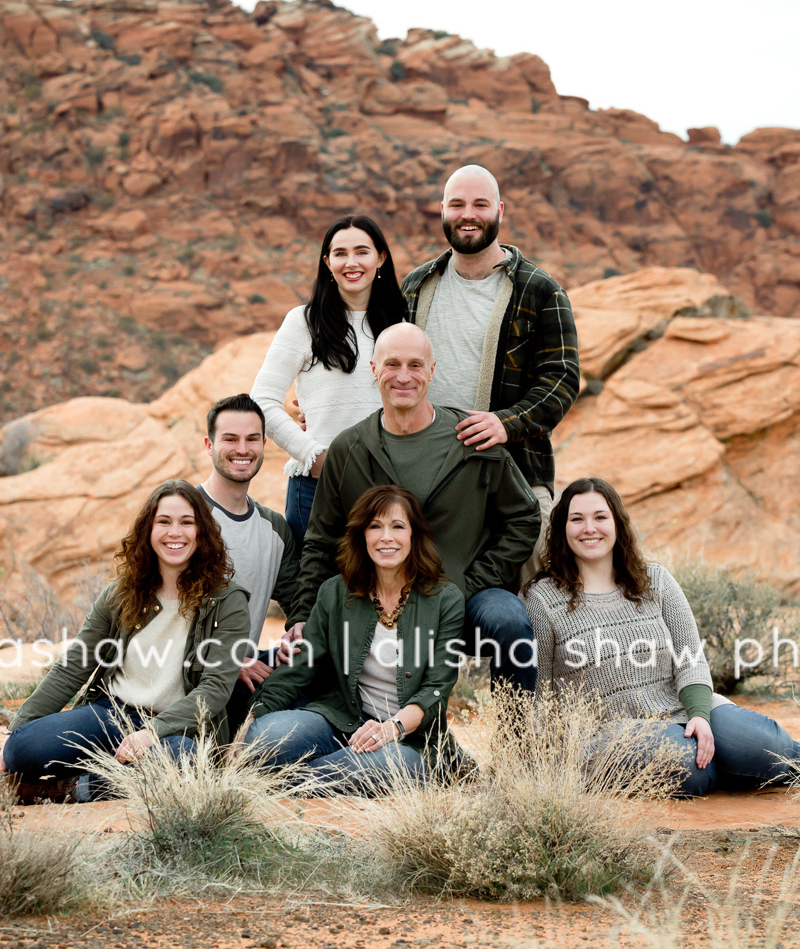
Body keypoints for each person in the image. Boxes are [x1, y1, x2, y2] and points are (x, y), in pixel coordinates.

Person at [285, 322, 540, 699]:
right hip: (375, 601)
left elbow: (523, 517)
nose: (403, 376)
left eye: (416, 365)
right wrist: (303, 613)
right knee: (312, 663)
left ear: (432, 370)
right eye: (392, 364)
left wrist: (471, 582)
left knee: (508, 620)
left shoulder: (472, 439)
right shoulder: (349, 448)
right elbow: (321, 539)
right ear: (374, 369)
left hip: (464, 595)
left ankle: (517, 746)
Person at [523, 476, 800, 796]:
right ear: (561, 529)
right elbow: (540, 689)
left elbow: (690, 657)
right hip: (607, 733)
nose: (590, 528)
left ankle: (738, 764)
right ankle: (729, 770)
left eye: (600, 517)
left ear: (617, 524)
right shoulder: (541, 599)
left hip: (682, 708)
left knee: (761, 746)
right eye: (577, 519)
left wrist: (699, 716)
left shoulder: (655, 580)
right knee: (687, 763)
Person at [0, 480, 250, 803]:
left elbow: (214, 690)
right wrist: (15, 733)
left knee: (184, 761)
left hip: (177, 730)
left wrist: (152, 732)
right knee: (21, 749)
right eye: (164, 522)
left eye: (187, 522)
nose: (176, 532)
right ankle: (101, 773)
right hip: (112, 714)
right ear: (148, 530)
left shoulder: (228, 602)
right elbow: (73, 666)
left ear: (202, 532)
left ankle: (68, 789)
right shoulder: (121, 593)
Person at [402, 165, 580, 575]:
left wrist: (506, 423)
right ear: (442, 211)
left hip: (515, 476)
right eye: (458, 205)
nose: (469, 214)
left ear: (499, 210)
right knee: (431, 604)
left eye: (480, 204)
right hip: (425, 478)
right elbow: (385, 366)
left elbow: (563, 379)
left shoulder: (539, 290)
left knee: (531, 601)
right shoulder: (416, 286)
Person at [237, 485, 465, 794]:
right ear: (362, 535)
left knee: (399, 769)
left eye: (398, 526)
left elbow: (435, 689)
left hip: (403, 735)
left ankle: (284, 783)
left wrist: (389, 729)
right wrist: (247, 729)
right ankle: (331, 769)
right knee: (264, 738)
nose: (386, 537)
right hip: (341, 718)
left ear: (414, 535)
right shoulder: (335, 591)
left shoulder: (445, 599)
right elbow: (299, 668)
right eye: (375, 527)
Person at [250, 214, 407, 547]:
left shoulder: (402, 322)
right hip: (318, 487)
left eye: (362, 252)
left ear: (380, 258)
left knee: (382, 594)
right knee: (313, 593)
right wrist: (314, 455)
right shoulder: (304, 322)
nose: (351, 263)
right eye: (340, 253)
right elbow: (262, 400)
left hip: (390, 487)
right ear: (327, 262)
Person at [199, 393, 299, 732]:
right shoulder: (182, 516)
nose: (242, 449)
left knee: (312, 661)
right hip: (183, 675)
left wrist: (298, 625)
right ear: (209, 445)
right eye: (230, 439)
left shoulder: (274, 528)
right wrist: (224, 660)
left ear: (263, 445)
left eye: (252, 439)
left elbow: (299, 596)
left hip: (242, 676)